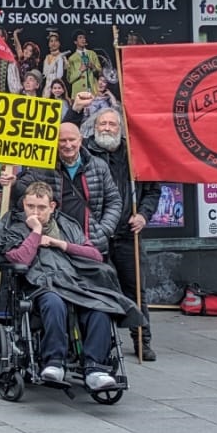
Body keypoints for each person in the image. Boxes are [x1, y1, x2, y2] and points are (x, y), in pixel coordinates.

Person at [0, 181, 139, 391]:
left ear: (52, 206)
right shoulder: (14, 227)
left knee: (100, 306)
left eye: (41, 207)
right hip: (40, 284)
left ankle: (95, 367)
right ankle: (54, 362)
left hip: (76, 283)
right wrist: (35, 232)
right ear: (23, 205)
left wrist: (59, 243)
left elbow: (95, 255)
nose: (35, 212)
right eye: (30, 206)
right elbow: (20, 258)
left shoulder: (67, 225)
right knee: (54, 302)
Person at [82, 108, 161, 361]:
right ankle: (100, 343)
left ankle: (141, 341)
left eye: (112, 124)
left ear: (120, 128)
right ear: (95, 127)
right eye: (102, 123)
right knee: (95, 290)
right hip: (95, 235)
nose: (106, 128)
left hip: (127, 233)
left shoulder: (134, 155)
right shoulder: (84, 152)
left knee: (135, 290)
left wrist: (144, 215)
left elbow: (152, 190)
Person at [13, 123, 123, 254]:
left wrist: (104, 230)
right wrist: (13, 183)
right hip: (56, 244)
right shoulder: (42, 167)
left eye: (72, 140)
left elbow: (114, 201)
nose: (68, 145)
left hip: (91, 244)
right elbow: (22, 196)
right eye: (62, 140)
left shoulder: (99, 166)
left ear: (80, 140)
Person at [66, 31, 104, 97]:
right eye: (80, 38)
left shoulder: (92, 54)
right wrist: (80, 70)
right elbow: (69, 79)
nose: (83, 40)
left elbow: (100, 72)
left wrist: (93, 67)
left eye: (84, 38)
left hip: (92, 90)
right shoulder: (71, 58)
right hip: (78, 91)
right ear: (75, 42)